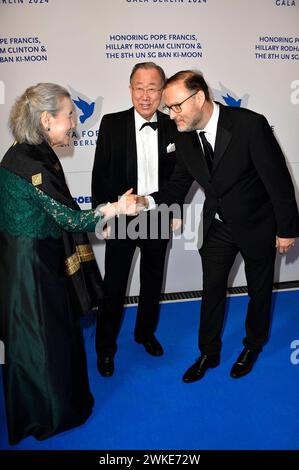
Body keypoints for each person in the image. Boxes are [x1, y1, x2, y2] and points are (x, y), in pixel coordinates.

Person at [138, 70, 299, 382]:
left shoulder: (249, 125)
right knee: (211, 290)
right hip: (218, 226)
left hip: (257, 225)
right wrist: (145, 201)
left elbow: (278, 180)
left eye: (176, 106)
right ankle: (208, 353)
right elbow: (177, 186)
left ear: (199, 98)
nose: (172, 115)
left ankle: (253, 345)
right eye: (168, 108)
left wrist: (287, 229)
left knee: (259, 291)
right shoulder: (184, 138)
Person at [0, 83, 137, 445]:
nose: (75, 124)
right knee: (44, 340)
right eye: (70, 116)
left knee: (53, 335)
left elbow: (57, 211)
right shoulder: (31, 164)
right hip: (30, 268)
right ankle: (50, 413)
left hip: (38, 256)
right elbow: (70, 220)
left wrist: (98, 220)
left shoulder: (33, 152)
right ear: (46, 119)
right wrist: (114, 208)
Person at [92, 62, 181, 377]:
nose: (146, 96)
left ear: (162, 91)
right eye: (139, 88)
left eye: (153, 88)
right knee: (114, 286)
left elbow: (180, 176)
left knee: (153, 281)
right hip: (122, 215)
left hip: (158, 215)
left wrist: (175, 210)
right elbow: (99, 174)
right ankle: (105, 348)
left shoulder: (174, 125)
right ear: (130, 89)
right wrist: (102, 213)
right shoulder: (112, 124)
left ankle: (145, 333)